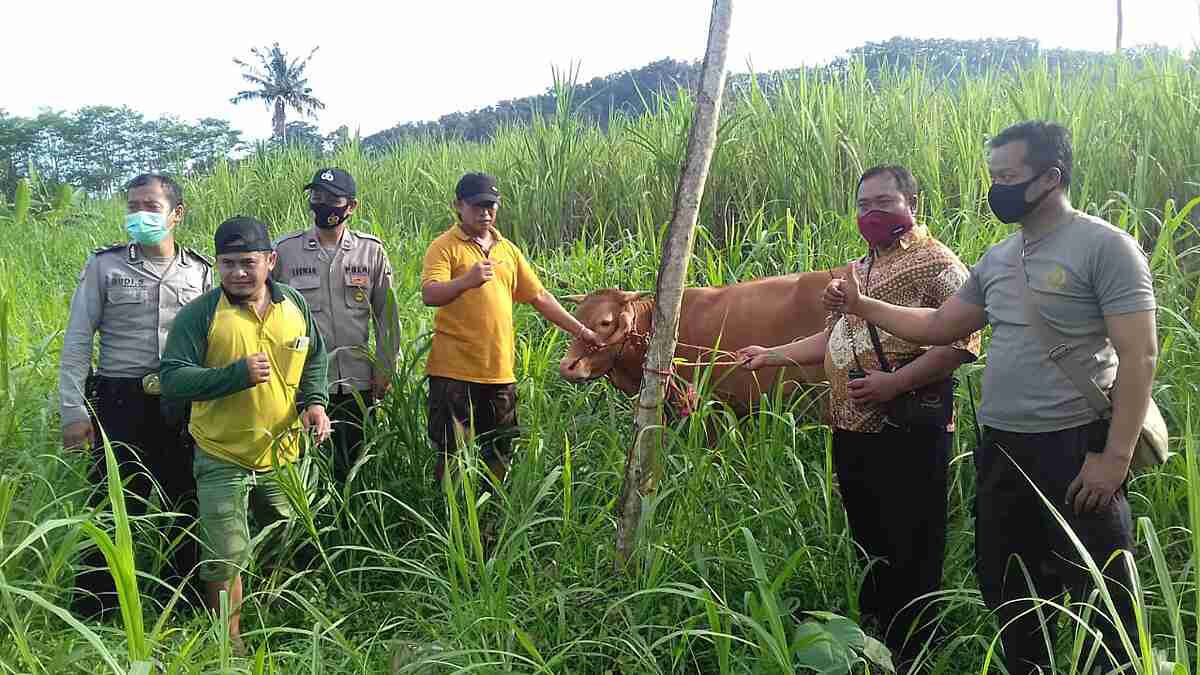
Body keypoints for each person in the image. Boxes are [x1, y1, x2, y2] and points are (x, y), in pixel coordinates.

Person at [825, 122, 1156, 674]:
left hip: (1075, 446)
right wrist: (864, 308)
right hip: (1003, 449)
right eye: (994, 175)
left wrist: (1114, 459)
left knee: (1102, 593)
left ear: (1050, 178)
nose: (997, 186)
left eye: (1009, 176)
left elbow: (1140, 356)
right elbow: (939, 323)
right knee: (1011, 587)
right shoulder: (999, 259)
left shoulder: (1104, 247)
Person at [736, 165, 980, 669]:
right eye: (864, 204)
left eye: (884, 202)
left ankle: (916, 643)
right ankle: (875, 630)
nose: (871, 212)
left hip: (907, 423)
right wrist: (771, 354)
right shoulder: (858, 268)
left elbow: (961, 342)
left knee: (913, 535)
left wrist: (894, 383)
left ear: (913, 200)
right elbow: (834, 337)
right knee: (868, 529)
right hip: (849, 423)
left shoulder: (940, 264)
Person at [160, 216, 331, 651]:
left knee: (284, 535)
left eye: (248, 262)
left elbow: (314, 358)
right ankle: (229, 644)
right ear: (217, 265)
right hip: (222, 455)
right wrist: (233, 375)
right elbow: (173, 378)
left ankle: (279, 614)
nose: (238, 272)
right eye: (228, 263)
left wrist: (315, 403)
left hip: (284, 454)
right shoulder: (201, 314)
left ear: (271, 261)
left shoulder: (293, 304)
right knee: (225, 555)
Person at [58, 173, 212, 620]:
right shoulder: (105, 266)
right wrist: (73, 411)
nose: (139, 215)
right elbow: (77, 342)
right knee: (110, 504)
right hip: (118, 400)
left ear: (176, 214)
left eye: (150, 205)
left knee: (185, 500)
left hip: (182, 402)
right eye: (132, 206)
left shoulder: (200, 272)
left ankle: (182, 605)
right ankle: (97, 608)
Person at [421, 172, 603, 483]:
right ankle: (447, 517)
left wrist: (583, 332)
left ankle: (492, 518)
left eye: (491, 205)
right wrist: (467, 281)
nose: (485, 212)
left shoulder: (507, 250)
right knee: (451, 451)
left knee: (500, 450)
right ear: (458, 206)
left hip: (499, 371)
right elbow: (430, 293)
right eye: (477, 206)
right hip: (453, 371)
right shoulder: (444, 246)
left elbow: (540, 297)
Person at [273, 168, 400, 486]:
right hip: (303, 382)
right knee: (306, 466)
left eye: (333, 199)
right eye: (317, 197)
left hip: (357, 381)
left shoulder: (370, 252)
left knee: (354, 465)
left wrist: (385, 369)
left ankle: (352, 521)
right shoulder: (285, 251)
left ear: (351, 206)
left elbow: (387, 317)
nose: (323, 204)